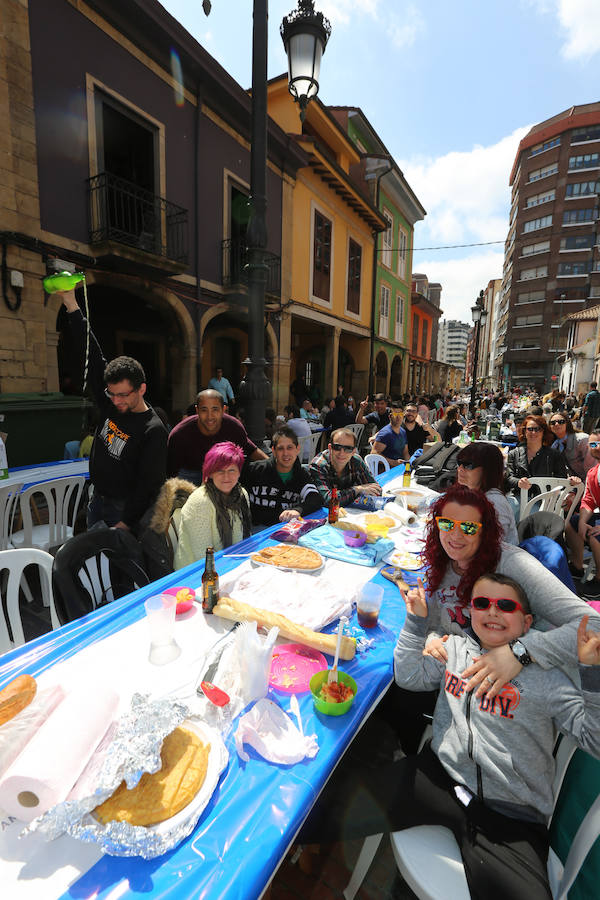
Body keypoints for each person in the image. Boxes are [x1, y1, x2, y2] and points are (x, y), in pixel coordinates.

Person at [298, 569, 600, 900]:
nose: (493, 611)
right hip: (438, 776)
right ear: (470, 613)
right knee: (323, 806)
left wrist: (593, 677)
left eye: (506, 606)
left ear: (527, 623)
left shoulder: (549, 679)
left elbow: (594, 740)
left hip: (509, 814)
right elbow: (410, 676)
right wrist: (417, 625)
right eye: (482, 603)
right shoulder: (455, 650)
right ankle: (288, 852)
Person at [60, 290, 167, 533]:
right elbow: (92, 353)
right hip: (97, 498)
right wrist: (71, 304)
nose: (116, 400)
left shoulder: (153, 430)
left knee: (116, 566)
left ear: (141, 389)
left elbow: (147, 486)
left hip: (122, 510)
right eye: (112, 393)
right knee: (94, 560)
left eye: (123, 395)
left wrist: (126, 522)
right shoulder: (110, 399)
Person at [174, 441, 252, 569]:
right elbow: (203, 556)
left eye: (232, 470)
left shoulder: (242, 495)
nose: (226, 476)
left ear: (239, 472)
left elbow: (244, 540)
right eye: (220, 471)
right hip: (197, 572)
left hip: (232, 562)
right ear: (210, 473)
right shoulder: (200, 502)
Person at [167, 390, 267, 485]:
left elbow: (250, 450)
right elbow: (171, 472)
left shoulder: (233, 426)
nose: (210, 416)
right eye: (204, 410)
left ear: (223, 410)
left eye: (215, 409)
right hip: (190, 474)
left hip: (222, 472)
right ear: (197, 410)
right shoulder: (180, 434)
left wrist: (275, 466)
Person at [243, 426, 322, 527]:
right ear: (274, 451)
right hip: (255, 529)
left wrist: (298, 510)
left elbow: (315, 499)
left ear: (297, 449)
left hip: (285, 528)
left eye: (290, 447)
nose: (285, 453)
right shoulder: (256, 470)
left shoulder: (301, 475)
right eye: (280, 448)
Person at [456, 442, 518, 545]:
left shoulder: (495, 504)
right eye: (459, 463)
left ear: (488, 470)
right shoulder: (471, 493)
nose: (460, 469)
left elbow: (492, 547)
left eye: (468, 465)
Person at [565, 428, 600, 595]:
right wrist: (582, 521)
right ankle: (578, 566)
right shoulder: (594, 472)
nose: (597, 447)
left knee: (595, 536)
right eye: (593, 444)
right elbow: (588, 500)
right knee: (570, 525)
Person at [309, 427, 382, 507]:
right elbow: (328, 500)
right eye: (337, 447)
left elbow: (375, 489)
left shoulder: (356, 461)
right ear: (330, 448)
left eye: (348, 449)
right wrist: (357, 490)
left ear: (354, 451)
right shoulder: (318, 465)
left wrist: (352, 493)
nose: (342, 453)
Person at [505, 414, 567, 501]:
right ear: (524, 432)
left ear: (543, 432)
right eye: (530, 429)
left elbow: (561, 480)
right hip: (519, 498)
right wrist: (518, 482)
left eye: (537, 429)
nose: (533, 432)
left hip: (543, 500)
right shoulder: (514, 453)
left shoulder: (554, 455)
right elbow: (509, 478)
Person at [548, 411, 594, 479]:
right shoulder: (553, 445)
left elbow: (591, 468)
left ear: (567, 423)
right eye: (553, 423)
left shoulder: (582, 440)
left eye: (561, 422)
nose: (556, 424)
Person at [371, 402, 409, 467]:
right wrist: (393, 462)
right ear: (390, 416)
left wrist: (409, 464)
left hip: (399, 468)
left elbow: (405, 452)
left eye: (400, 414)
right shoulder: (385, 433)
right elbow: (374, 454)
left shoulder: (403, 432)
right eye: (395, 414)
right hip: (386, 470)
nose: (398, 417)